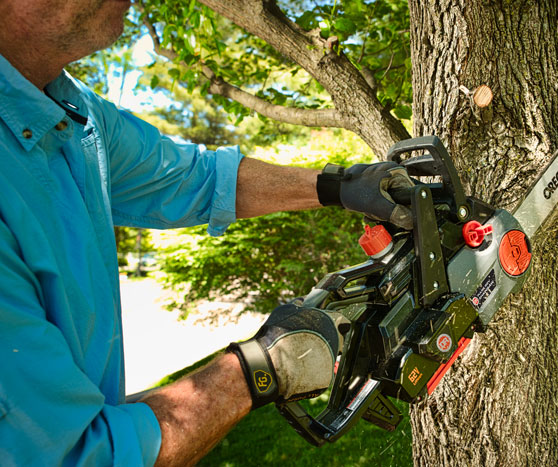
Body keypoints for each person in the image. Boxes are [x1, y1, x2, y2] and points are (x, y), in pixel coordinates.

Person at [0, 1, 413, 465]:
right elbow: (81, 455)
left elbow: (194, 178)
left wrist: (343, 185)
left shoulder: (70, 112)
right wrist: (263, 366)